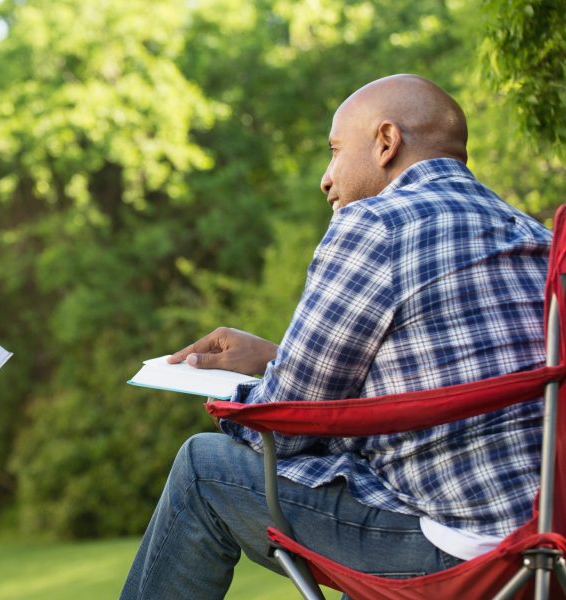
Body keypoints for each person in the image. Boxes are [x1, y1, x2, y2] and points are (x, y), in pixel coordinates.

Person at [121, 74, 552, 598]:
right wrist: (278, 357)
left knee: (202, 467)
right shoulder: (534, 236)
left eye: (335, 151)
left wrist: (244, 394)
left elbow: (285, 425)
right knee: (367, 482)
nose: (326, 180)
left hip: (461, 553)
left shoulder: (377, 223)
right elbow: (448, 376)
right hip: (545, 540)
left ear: (386, 143)